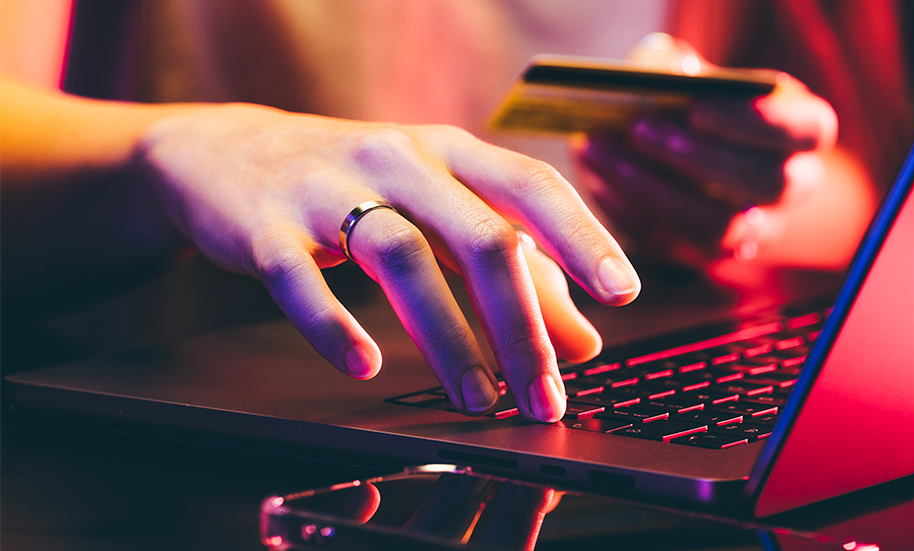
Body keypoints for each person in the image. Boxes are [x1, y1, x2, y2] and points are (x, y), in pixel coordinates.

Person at [0, 0, 853, 424]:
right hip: (169, 436)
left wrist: (727, 198)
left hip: (607, 389)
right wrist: (175, 151)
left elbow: (861, 194)